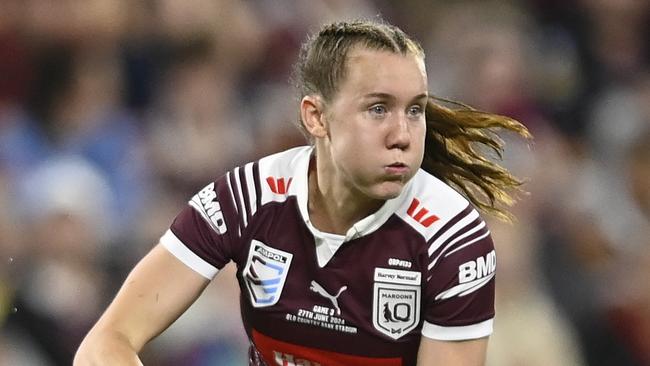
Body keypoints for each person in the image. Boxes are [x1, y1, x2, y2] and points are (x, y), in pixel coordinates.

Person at [74, 19, 530, 366]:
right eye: (377, 108)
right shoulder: (248, 197)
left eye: (415, 110)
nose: (404, 135)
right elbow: (106, 342)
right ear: (316, 117)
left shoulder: (452, 239)